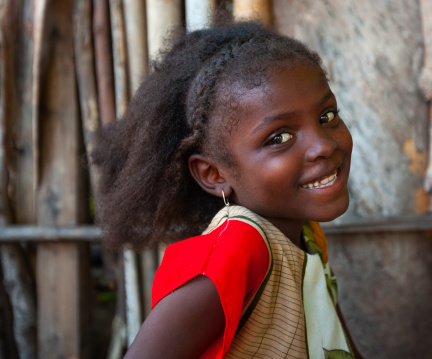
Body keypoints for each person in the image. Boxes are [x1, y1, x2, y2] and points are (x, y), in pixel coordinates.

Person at [92, 16, 359, 359]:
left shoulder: (307, 237)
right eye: (279, 137)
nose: (322, 145)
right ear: (213, 174)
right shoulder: (237, 249)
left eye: (326, 116)